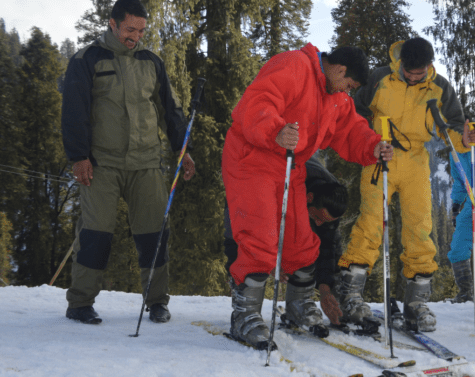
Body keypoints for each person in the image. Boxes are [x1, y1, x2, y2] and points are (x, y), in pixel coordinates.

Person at [223, 42, 392, 350]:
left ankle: (298, 305)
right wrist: (275, 130)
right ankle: (244, 316)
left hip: (290, 165)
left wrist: (373, 147)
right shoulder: (293, 65)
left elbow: (351, 130)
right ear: (340, 70)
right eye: (350, 84)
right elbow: (256, 103)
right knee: (260, 239)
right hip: (252, 158)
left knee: (302, 240)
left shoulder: (337, 97)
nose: (349, 91)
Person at [61, 0, 194, 325]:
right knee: (96, 233)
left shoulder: (151, 62)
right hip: (101, 164)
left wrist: (182, 149)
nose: (135, 37)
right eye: (129, 30)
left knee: (154, 233)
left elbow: (170, 110)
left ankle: (157, 303)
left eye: (141, 31)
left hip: (146, 163)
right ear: (112, 24)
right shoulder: (87, 59)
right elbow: (74, 111)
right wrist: (79, 157)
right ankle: (80, 303)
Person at [336, 37, 473, 332]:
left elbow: (453, 126)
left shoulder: (440, 88)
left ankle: (416, 302)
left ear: (429, 66)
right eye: (408, 73)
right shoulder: (380, 77)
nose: (413, 78)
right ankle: (351, 295)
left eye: (419, 74)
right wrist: (369, 142)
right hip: (379, 155)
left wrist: (464, 139)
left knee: (420, 227)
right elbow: (355, 114)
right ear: (400, 64)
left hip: (415, 160)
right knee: (370, 223)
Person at [221, 154, 350, 325]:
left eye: (324, 221)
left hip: (298, 182)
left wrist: (325, 288)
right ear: (309, 198)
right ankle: (243, 301)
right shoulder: (284, 185)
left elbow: (327, 245)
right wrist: (272, 262)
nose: (319, 223)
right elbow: (253, 231)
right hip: (253, 189)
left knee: (308, 245)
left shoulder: (330, 199)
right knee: (247, 241)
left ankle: (299, 302)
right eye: (317, 217)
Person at [446, 131, 475, 303]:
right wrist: (455, 205)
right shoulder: (455, 152)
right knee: (458, 246)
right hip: (473, 203)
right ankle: (466, 294)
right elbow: (460, 181)